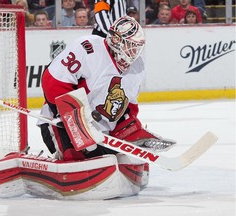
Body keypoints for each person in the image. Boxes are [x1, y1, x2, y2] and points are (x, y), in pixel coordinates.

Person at [38, 15, 176, 162]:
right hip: (60, 123)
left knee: (106, 157)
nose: (134, 53)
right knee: (75, 158)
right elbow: (52, 82)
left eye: (137, 48)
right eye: (130, 46)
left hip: (100, 134)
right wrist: (73, 120)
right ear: (116, 40)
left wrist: (128, 129)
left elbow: (128, 105)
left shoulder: (137, 66)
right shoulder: (87, 48)